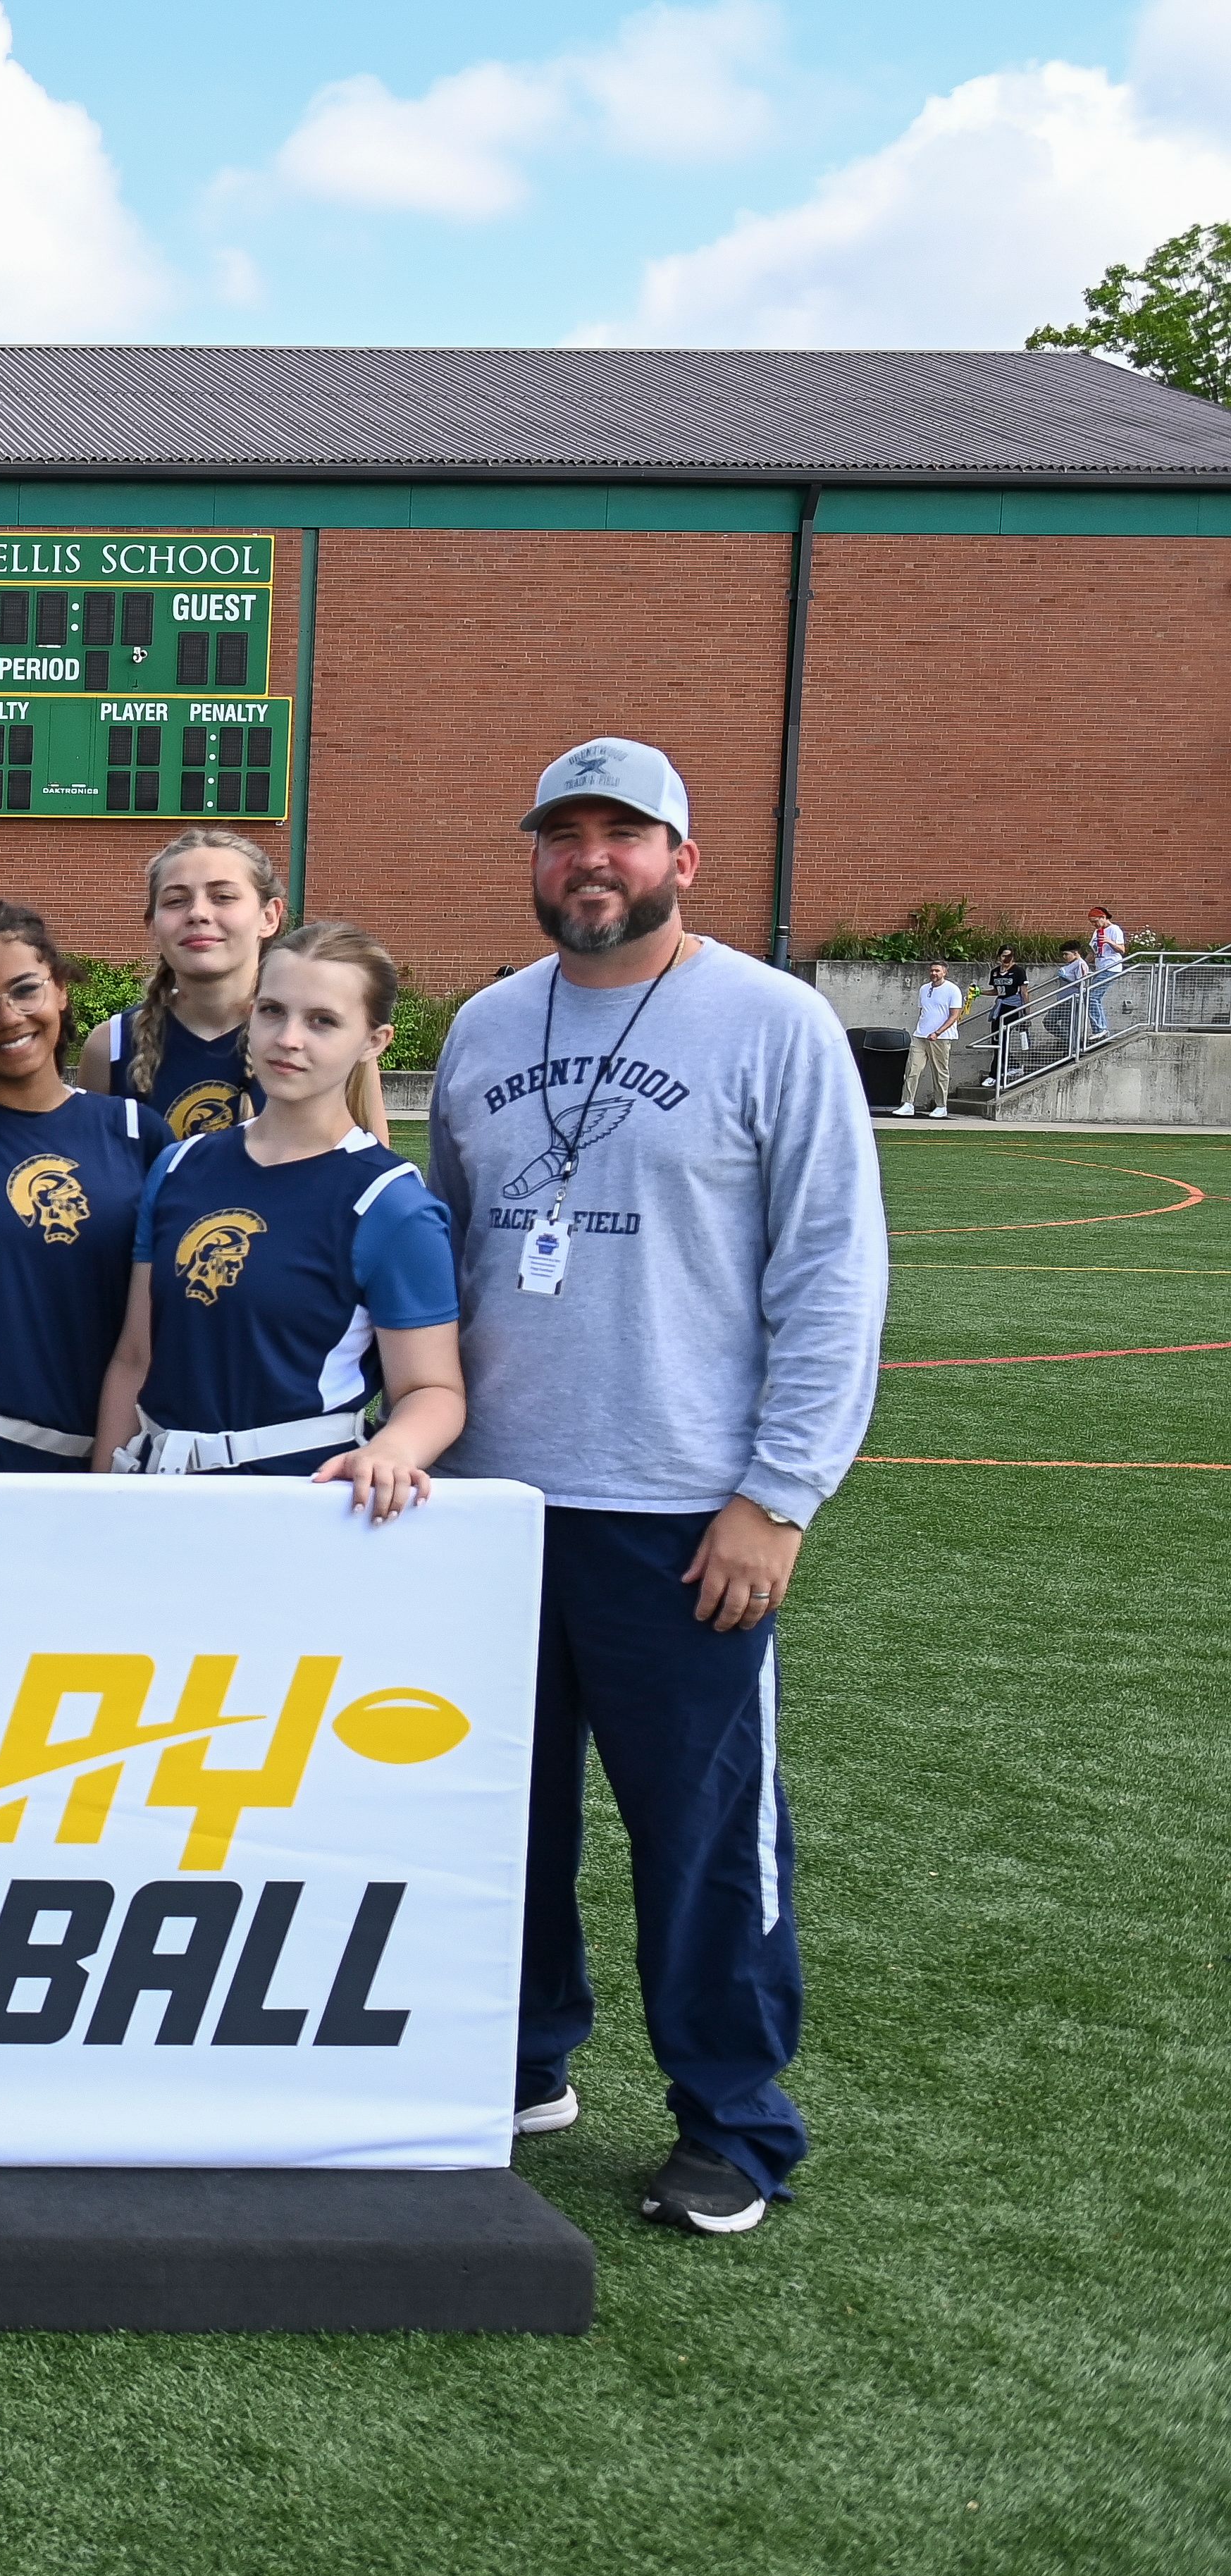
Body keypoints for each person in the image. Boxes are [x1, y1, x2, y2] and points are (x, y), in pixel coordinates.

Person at [424, 735, 886, 2238]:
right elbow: (440, 1257)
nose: (592, 858)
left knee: (702, 1834)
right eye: (564, 833)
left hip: (683, 1505)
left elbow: (832, 1273)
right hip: (494, 1505)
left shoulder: (774, 1023)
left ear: (684, 858)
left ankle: (733, 2118)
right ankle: (527, 2052)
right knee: (508, 1816)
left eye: (625, 832)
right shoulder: (489, 1028)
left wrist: (780, 1492)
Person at [92, 922, 461, 1508]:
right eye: (272, 1011)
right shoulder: (179, 1167)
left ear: (375, 1040)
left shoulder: (391, 1203)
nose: (289, 1038)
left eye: (323, 1021)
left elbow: (432, 1389)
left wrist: (395, 1448)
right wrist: (99, 1498)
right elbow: (135, 1358)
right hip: (157, 1501)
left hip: (301, 1505)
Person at [0, 900, 164, 1473]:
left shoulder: (135, 1132)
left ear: (61, 990)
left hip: (120, 1452)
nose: (8, 1016)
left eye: (26, 990)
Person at [79, 827, 391, 1144]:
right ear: (153, 926)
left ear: (269, 916)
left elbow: (372, 1167)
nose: (198, 913)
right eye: (175, 901)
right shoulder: (111, 1045)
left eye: (223, 897)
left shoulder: (327, 1042)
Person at [902, 961, 962, 1118]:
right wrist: (922, 1030)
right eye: (932, 971)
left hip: (941, 1038)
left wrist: (938, 1032)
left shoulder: (953, 990)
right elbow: (924, 1011)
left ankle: (941, 1106)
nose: (934, 973)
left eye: (937, 971)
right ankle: (908, 1104)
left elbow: (955, 1015)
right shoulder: (924, 989)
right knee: (912, 1070)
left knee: (940, 1072)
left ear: (944, 973)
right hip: (920, 1036)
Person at [989, 944, 1032, 1071]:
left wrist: (1026, 1013)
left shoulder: (1018, 971)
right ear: (999, 957)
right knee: (996, 1040)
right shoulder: (995, 972)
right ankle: (1011, 1066)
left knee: (1003, 1039)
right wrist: (979, 992)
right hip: (1000, 1006)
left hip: (1013, 1006)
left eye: (1009, 956)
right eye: (1004, 956)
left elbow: (1024, 992)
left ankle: (996, 1072)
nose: (1006, 959)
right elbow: (995, 991)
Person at [1089, 905, 1127, 1035]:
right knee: (1093, 997)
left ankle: (1100, 1029)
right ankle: (1099, 1029)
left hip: (1111, 967)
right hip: (1100, 968)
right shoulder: (1096, 932)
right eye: (1092, 923)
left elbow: (1122, 950)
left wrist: (1110, 942)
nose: (1094, 925)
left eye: (1095, 921)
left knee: (1091, 996)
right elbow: (1093, 952)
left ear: (1103, 917)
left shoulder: (1115, 929)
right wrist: (1081, 963)